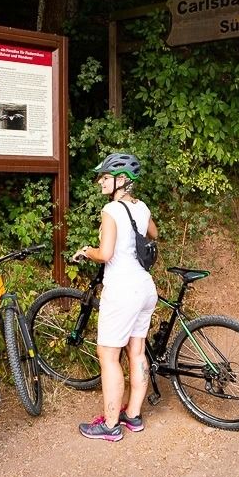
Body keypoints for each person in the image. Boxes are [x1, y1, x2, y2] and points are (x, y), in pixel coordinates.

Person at [72, 153, 158, 442]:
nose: (100, 182)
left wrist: (87, 251)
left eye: (105, 177)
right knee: (137, 350)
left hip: (122, 291)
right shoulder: (142, 207)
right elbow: (154, 234)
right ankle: (132, 415)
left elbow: (105, 253)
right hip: (145, 288)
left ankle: (110, 425)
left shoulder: (111, 211)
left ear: (122, 180)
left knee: (109, 356)